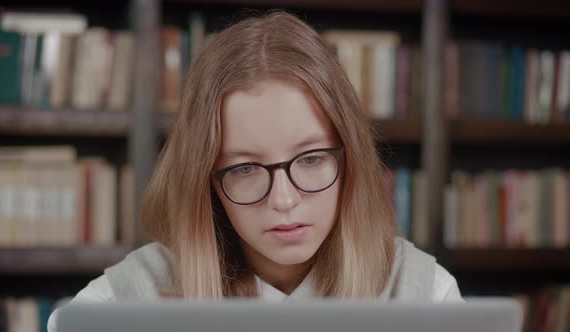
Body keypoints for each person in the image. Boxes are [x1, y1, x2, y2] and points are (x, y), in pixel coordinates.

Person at [48, 10, 462, 332]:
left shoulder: (426, 294)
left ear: (350, 157)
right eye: (245, 168)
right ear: (205, 180)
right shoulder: (118, 306)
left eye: (312, 159)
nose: (283, 200)